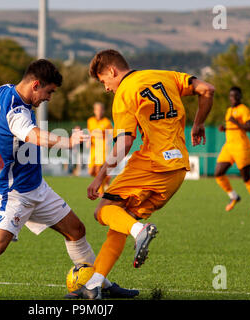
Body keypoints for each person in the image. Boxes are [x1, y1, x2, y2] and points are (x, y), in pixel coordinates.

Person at [0, 59, 137, 300]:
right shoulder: (18, 112)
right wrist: (68, 142)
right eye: (49, 92)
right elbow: (34, 136)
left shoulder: (1, 91)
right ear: (35, 85)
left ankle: (100, 285)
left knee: (76, 231)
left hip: (38, 188)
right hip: (16, 192)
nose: (49, 98)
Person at [66, 49, 214, 299]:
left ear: (112, 71)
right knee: (120, 221)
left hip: (152, 162)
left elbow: (124, 142)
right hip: (178, 169)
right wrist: (198, 123)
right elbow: (207, 89)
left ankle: (139, 232)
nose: (106, 88)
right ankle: (96, 284)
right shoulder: (165, 76)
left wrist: (100, 176)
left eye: (104, 81)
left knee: (102, 211)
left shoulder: (125, 91)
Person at [214, 86, 250, 216]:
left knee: (246, 178)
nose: (233, 98)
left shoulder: (244, 109)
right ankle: (234, 196)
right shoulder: (229, 110)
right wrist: (224, 129)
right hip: (229, 147)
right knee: (218, 173)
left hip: (242, 147)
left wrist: (235, 122)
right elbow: (233, 128)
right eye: (231, 96)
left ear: (240, 97)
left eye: (236, 96)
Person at [87, 102, 113, 193]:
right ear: (94, 111)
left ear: (103, 111)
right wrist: (88, 141)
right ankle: (107, 178)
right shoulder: (90, 121)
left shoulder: (106, 122)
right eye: (97, 110)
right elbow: (90, 133)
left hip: (102, 149)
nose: (99, 111)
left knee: (98, 169)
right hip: (94, 149)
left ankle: (100, 191)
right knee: (90, 172)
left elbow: (111, 133)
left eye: (101, 109)